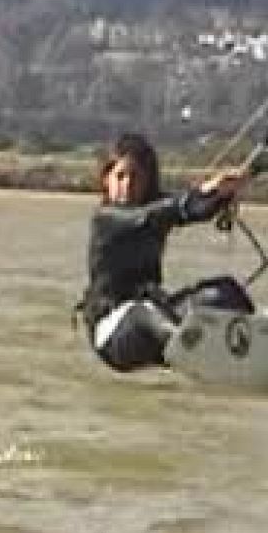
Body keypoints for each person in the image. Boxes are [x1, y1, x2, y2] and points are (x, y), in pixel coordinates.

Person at [76, 132, 254, 373]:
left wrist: (222, 194)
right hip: (114, 334)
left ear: (148, 181)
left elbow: (190, 210)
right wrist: (204, 190)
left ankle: (252, 345)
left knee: (225, 292)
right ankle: (191, 345)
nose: (127, 185)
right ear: (106, 180)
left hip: (157, 323)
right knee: (142, 312)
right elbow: (161, 213)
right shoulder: (107, 219)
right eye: (120, 176)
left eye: (136, 177)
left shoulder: (156, 208)